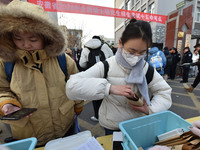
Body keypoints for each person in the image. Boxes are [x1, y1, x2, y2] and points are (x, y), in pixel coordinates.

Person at [66, 19, 172, 135]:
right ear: (120, 43)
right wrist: (109, 88)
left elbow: (164, 93)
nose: (136, 57)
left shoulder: (146, 68)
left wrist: (150, 109)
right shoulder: (107, 66)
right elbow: (71, 87)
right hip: (113, 125)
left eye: (142, 52)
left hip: (137, 124)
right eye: (132, 51)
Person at [0, 0, 84, 146]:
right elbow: (2, 90)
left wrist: (78, 106)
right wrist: (6, 104)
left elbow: (76, 86)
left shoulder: (63, 60)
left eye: (33, 39)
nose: (26, 44)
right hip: (29, 135)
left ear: (46, 36)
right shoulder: (5, 62)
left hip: (64, 129)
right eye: (18, 39)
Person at [79, 35, 114, 122]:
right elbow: (112, 57)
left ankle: (97, 116)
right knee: (107, 91)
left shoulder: (86, 48)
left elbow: (82, 64)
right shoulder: (104, 46)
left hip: (93, 75)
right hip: (105, 73)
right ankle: (108, 113)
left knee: (95, 94)